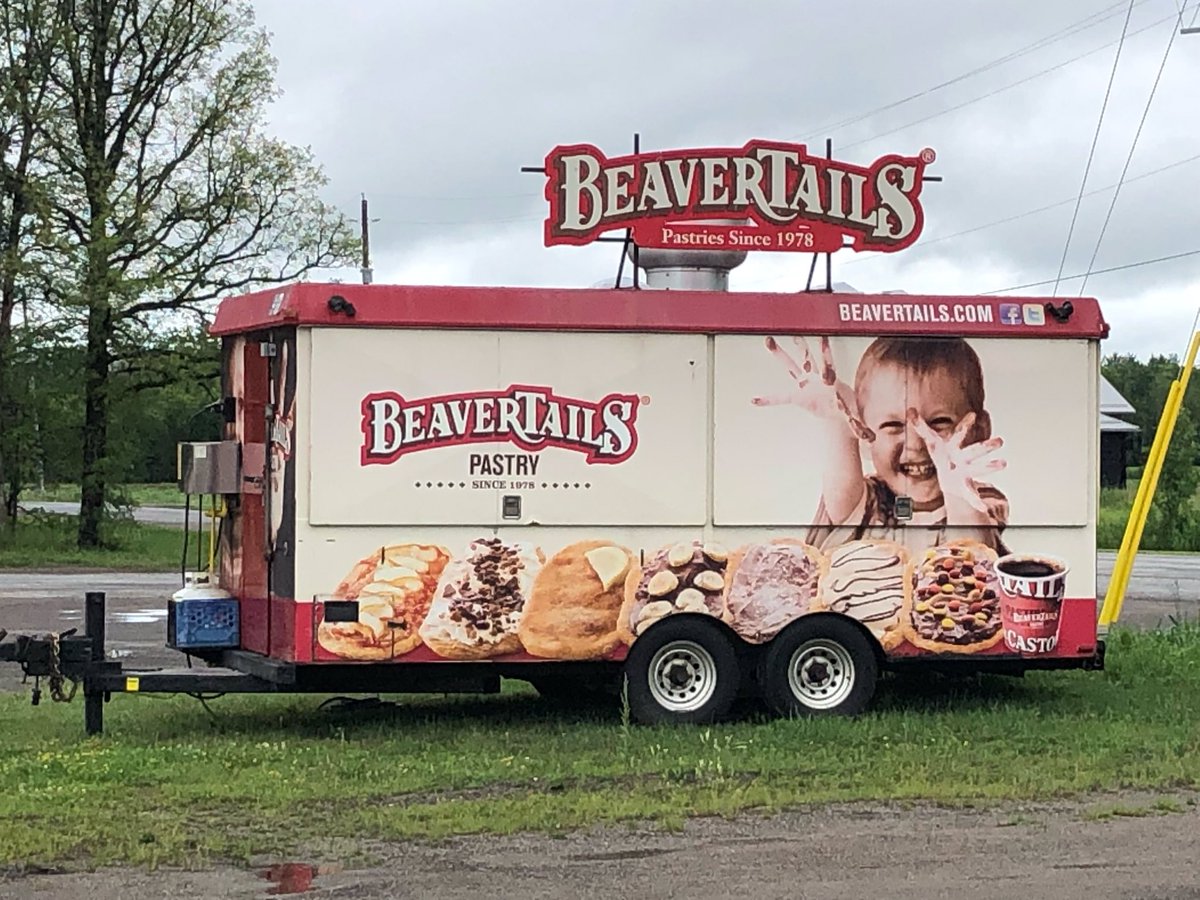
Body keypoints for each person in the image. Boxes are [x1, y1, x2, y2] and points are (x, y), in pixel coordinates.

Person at [752, 334, 1009, 555]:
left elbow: (975, 559)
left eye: (939, 422)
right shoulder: (870, 500)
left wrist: (956, 489)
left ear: (979, 430)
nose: (916, 443)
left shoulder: (980, 499)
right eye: (893, 425)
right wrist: (836, 423)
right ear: (864, 433)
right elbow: (841, 492)